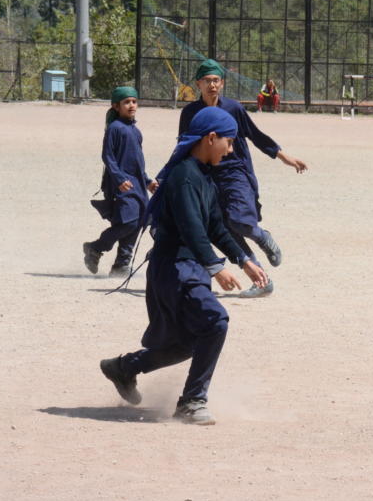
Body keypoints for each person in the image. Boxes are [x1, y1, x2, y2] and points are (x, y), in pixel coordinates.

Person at [99, 106, 268, 425]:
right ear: (211, 138)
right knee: (215, 321)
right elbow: (191, 228)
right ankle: (192, 401)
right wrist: (216, 267)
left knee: (190, 341)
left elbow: (215, 226)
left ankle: (124, 367)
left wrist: (244, 260)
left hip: (187, 268)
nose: (231, 149)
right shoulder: (184, 177)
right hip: (175, 268)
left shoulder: (203, 176)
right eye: (229, 142)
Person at [178, 59, 308, 298]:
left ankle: (261, 236)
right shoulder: (190, 113)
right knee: (225, 230)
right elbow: (184, 145)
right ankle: (262, 281)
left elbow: (256, 135)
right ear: (198, 84)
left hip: (235, 172)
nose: (212, 85)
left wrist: (283, 156)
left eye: (216, 80)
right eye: (207, 81)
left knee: (239, 221)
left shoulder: (233, 108)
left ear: (222, 83)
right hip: (208, 176)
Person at [83, 86, 157, 277]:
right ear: (116, 106)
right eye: (126, 102)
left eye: (134, 101)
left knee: (139, 221)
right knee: (128, 222)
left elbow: (137, 162)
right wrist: (119, 179)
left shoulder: (135, 131)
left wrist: (147, 181)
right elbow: (108, 156)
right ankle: (95, 247)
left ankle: (121, 265)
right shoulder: (115, 128)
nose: (132, 105)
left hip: (137, 184)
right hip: (120, 184)